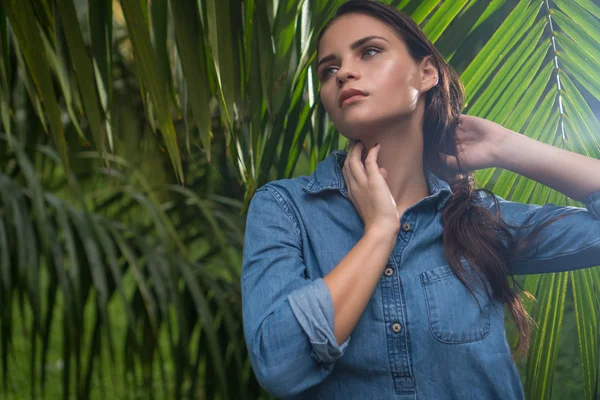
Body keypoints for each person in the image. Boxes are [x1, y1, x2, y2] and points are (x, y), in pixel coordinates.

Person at [241, 1, 600, 398]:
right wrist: (380, 232)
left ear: (426, 73)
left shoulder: (475, 221)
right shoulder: (286, 210)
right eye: (329, 70)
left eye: (370, 51)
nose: (343, 72)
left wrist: (504, 146)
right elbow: (279, 364)